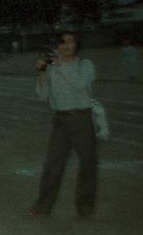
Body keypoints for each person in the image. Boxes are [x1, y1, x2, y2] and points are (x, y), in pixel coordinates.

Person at [30, 31, 98, 218]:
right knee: (52, 165)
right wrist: (42, 72)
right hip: (60, 120)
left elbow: (79, 84)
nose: (65, 45)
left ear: (76, 44)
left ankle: (85, 210)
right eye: (61, 42)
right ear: (56, 47)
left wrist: (60, 65)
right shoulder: (53, 67)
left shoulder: (85, 65)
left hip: (81, 118)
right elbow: (42, 95)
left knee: (87, 165)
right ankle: (43, 207)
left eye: (70, 41)